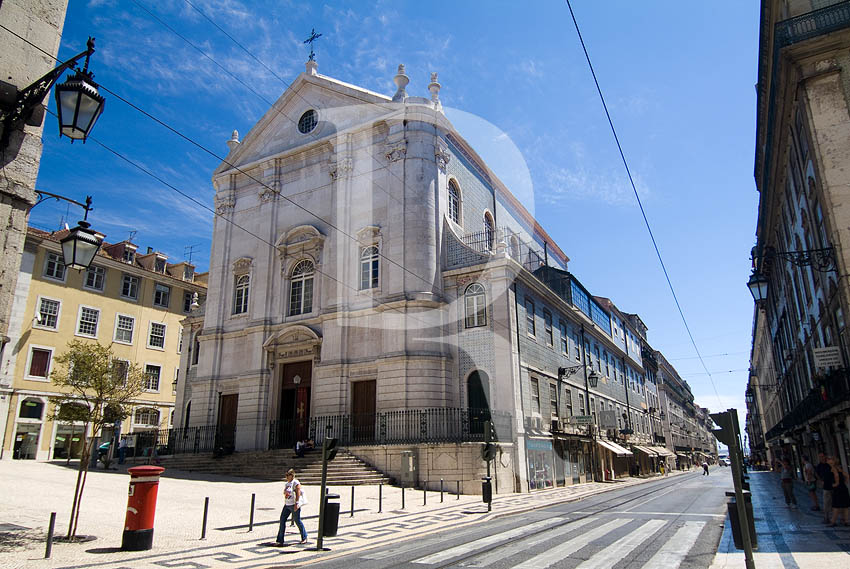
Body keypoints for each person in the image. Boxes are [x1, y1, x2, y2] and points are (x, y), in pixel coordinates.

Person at [274, 469, 307, 545]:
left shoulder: (295, 482)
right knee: (282, 520)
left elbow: (298, 491)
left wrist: (297, 503)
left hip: (293, 504)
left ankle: (304, 537)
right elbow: (285, 492)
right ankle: (280, 540)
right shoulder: (287, 484)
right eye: (286, 475)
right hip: (287, 504)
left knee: (297, 521)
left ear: (292, 475)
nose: (286, 477)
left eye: (288, 475)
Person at [827, 456, 850, 526]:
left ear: (833, 461)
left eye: (829, 459)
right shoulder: (839, 468)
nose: (828, 460)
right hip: (843, 488)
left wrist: (836, 483)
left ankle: (833, 522)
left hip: (838, 489)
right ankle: (847, 521)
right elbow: (847, 476)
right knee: (845, 505)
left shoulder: (833, 468)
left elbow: (836, 476)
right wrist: (845, 482)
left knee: (836, 506)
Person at [816, 453, 834, 524]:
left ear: (825, 456)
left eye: (822, 456)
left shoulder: (830, 464)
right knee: (826, 503)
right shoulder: (819, 466)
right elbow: (816, 473)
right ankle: (827, 518)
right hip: (826, 487)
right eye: (820, 457)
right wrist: (820, 480)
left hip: (834, 485)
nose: (821, 458)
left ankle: (840, 517)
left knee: (836, 502)